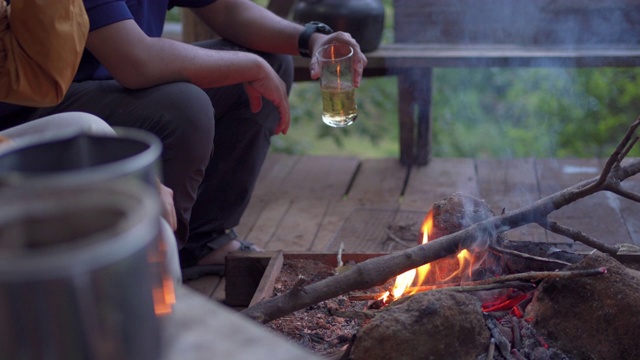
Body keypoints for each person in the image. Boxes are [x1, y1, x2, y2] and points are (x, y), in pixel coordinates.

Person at [0, 0, 367, 280]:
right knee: (185, 104)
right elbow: (136, 60)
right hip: (42, 109)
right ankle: (150, 264)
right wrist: (250, 67)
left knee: (270, 60)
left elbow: (227, 10)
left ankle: (204, 241)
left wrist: (310, 38)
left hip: (111, 92)